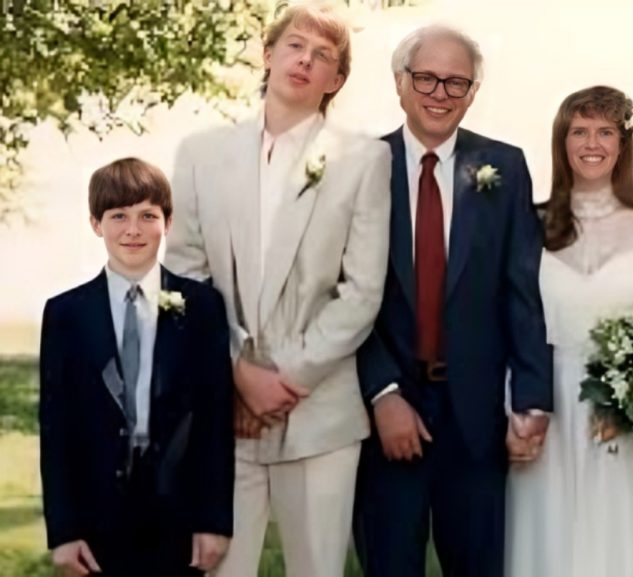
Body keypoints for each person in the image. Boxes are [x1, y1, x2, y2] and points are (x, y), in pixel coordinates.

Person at [164, 2, 391, 575]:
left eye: (324, 56)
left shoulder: (364, 160)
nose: (306, 60)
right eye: (296, 45)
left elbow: (362, 291)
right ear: (268, 54)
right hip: (224, 411)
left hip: (320, 413)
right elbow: (187, 277)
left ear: (335, 80)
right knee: (220, 567)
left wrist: (284, 382)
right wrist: (239, 374)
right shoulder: (200, 154)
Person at [354, 24, 552, 577]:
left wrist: (532, 398)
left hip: (478, 418)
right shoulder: (359, 166)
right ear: (400, 83)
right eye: (427, 78)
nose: (440, 93)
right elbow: (342, 292)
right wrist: (382, 391)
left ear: (472, 92)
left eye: (456, 82)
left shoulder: (504, 168)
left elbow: (523, 292)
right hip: (387, 418)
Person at [505, 85, 633, 577]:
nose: (592, 143)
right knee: (551, 539)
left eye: (606, 131)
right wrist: (515, 407)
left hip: (628, 415)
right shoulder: (531, 224)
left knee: (627, 541)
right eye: (579, 131)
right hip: (548, 405)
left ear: (623, 144)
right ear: (561, 142)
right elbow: (509, 320)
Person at [39, 158, 234, 577]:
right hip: (97, 518)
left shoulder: (201, 307)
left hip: (179, 515)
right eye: (118, 216)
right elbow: (56, 429)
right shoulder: (66, 314)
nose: (133, 229)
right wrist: (64, 531)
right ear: (95, 223)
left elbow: (215, 421)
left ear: (167, 221)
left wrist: (214, 521)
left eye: (148, 215)